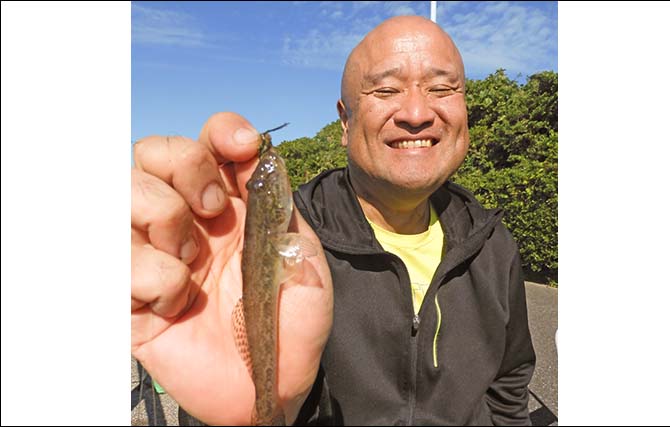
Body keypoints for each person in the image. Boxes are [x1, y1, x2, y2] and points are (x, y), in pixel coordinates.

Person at [131, 15, 535, 426]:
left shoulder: (493, 244)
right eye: (387, 89)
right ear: (345, 121)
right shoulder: (288, 234)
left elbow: (510, 383)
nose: (417, 112)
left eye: (442, 88)